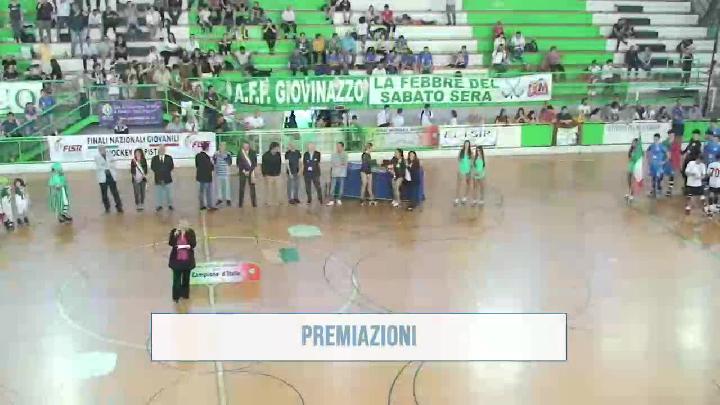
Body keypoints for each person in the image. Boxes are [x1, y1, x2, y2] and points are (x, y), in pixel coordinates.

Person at [168, 220, 196, 303]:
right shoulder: (174, 232)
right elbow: (171, 243)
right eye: (180, 225)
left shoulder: (190, 232)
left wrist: (188, 245)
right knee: (176, 280)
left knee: (186, 279)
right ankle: (176, 296)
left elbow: (193, 244)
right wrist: (175, 235)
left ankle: (185, 295)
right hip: (176, 261)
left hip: (187, 260)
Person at [94, 145, 123, 213]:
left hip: (111, 176)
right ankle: (107, 207)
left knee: (115, 192)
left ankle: (119, 206)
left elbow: (113, 163)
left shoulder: (110, 155)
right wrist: (107, 166)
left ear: (105, 149)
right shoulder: (96, 157)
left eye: (103, 149)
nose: (102, 150)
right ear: (99, 150)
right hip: (102, 177)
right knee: (104, 194)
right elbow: (99, 166)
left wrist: (107, 165)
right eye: (100, 149)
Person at [151, 145, 174, 211]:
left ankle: (170, 205)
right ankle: (159, 205)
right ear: (158, 150)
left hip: (168, 179)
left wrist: (165, 173)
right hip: (158, 179)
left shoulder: (169, 158)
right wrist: (160, 174)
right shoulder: (154, 158)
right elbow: (153, 167)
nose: (162, 150)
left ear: (165, 150)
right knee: (159, 194)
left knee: (169, 194)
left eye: (163, 149)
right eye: (160, 149)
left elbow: (171, 167)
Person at [646, 133, 668, 198]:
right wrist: (649, 160)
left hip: (659, 166)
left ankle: (658, 187)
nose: (655, 140)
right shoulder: (651, 146)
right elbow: (647, 152)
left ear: (659, 139)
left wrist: (664, 162)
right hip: (653, 165)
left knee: (659, 177)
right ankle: (653, 191)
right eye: (654, 139)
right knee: (653, 178)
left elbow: (668, 155)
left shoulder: (662, 146)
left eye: (656, 139)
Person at [261, 142, 282, 206]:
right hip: (269, 175)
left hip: (277, 175)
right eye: (277, 147)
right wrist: (264, 174)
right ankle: (268, 202)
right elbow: (263, 165)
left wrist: (279, 171)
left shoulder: (278, 154)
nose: (278, 149)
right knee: (269, 189)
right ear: (273, 147)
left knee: (278, 189)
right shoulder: (265, 155)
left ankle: (279, 201)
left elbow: (279, 163)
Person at [195, 142, 215, 211]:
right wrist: (212, 165)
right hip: (207, 177)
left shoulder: (197, 156)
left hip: (200, 177)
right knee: (208, 192)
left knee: (201, 192)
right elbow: (210, 167)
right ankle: (209, 205)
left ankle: (202, 205)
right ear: (207, 148)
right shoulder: (207, 157)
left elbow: (197, 165)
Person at [327, 142, 348, 206]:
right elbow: (332, 163)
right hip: (334, 173)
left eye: (339, 146)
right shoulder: (333, 154)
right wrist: (340, 164)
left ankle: (339, 199)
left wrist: (338, 164)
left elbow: (345, 164)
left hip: (342, 173)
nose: (338, 147)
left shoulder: (345, 154)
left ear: (342, 147)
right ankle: (331, 200)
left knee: (341, 187)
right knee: (332, 187)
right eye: (337, 146)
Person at [237, 142, 258, 208]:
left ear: (249, 146)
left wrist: (249, 171)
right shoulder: (240, 153)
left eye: (247, 146)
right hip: (242, 172)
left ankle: (254, 203)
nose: (246, 147)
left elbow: (254, 163)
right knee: (241, 188)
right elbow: (238, 163)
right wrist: (244, 171)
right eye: (244, 146)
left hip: (251, 172)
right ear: (243, 146)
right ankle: (240, 204)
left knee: (252, 188)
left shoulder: (253, 152)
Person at [212, 142, 232, 207]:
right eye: (221, 146)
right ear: (219, 147)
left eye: (224, 146)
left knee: (227, 186)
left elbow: (230, 163)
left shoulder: (228, 153)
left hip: (226, 172)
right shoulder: (216, 153)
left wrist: (224, 157)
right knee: (219, 187)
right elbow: (213, 162)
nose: (223, 147)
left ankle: (228, 199)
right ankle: (219, 199)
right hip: (218, 172)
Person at [663, 130, 682, 197]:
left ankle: (669, 189)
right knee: (664, 175)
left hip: (673, 162)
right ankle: (662, 187)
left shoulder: (676, 143)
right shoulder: (665, 143)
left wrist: (678, 163)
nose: (671, 136)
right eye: (670, 135)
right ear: (668, 135)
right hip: (666, 162)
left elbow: (678, 154)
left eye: (673, 135)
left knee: (671, 176)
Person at [455, 140, 472, 206]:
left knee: (468, 184)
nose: (466, 145)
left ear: (469, 145)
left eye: (468, 144)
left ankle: (464, 198)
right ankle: (456, 198)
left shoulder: (471, 153)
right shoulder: (461, 151)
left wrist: (471, 168)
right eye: (466, 144)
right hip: (461, 169)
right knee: (458, 184)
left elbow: (472, 161)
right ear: (464, 145)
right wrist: (460, 160)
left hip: (468, 170)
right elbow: (458, 159)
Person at [625, 138, 643, 202]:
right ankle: (629, 192)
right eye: (632, 142)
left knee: (632, 181)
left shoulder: (638, 150)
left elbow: (637, 159)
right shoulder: (631, 149)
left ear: (637, 144)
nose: (633, 144)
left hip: (635, 167)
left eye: (634, 143)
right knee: (629, 181)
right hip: (630, 166)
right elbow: (630, 158)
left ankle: (632, 195)